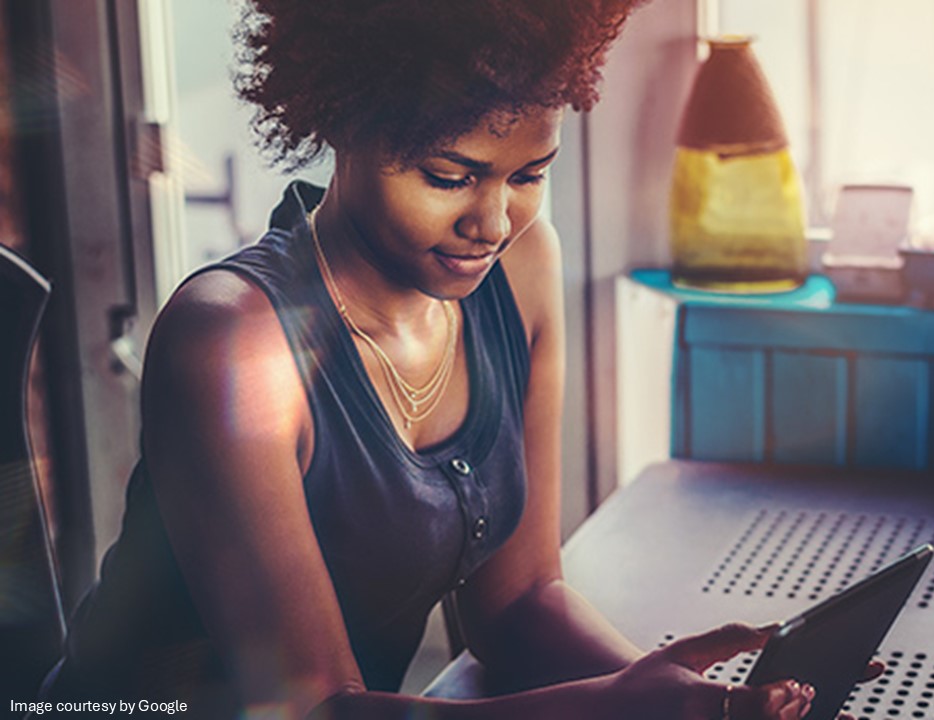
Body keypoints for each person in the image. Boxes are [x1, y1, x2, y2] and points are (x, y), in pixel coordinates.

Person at [39, 2, 878, 718]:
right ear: (341, 122)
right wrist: (611, 706)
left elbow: (517, 604)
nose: (495, 220)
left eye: (530, 174)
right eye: (449, 175)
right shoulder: (233, 342)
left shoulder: (520, 268)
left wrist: (684, 694)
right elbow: (316, 708)